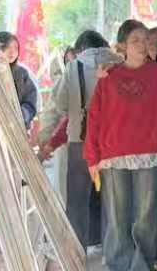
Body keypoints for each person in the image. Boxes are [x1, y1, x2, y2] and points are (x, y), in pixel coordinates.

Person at [83, 20, 157, 271]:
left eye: (146, 39)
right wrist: (92, 156)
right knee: (117, 218)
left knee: (147, 217)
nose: (142, 44)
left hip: (151, 154)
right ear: (122, 45)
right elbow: (95, 117)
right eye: (135, 40)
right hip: (113, 156)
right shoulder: (108, 77)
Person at [42, 29, 117, 247]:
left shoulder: (74, 67)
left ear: (80, 49)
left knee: (77, 200)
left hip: (79, 140)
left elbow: (60, 105)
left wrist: (46, 136)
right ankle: (112, 250)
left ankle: (77, 249)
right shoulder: (120, 64)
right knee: (114, 201)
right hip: (115, 143)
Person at [0, 31, 38, 131]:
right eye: (7, 47)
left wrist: (22, 114)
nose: (12, 52)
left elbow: (30, 100)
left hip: (16, 128)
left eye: (16, 48)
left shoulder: (22, 73)